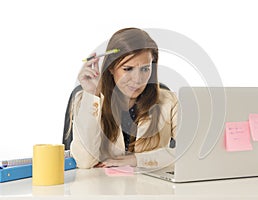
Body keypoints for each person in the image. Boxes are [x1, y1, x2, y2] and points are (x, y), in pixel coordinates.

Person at [70, 28, 178, 169]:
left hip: (150, 189)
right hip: (103, 188)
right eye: (128, 69)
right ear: (111, 67)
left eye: (145, 69)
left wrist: (137, 160)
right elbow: (84, 161)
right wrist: (92, 94)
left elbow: (190, 151)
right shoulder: (87, 99)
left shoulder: (169, 101)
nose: (137, 79)